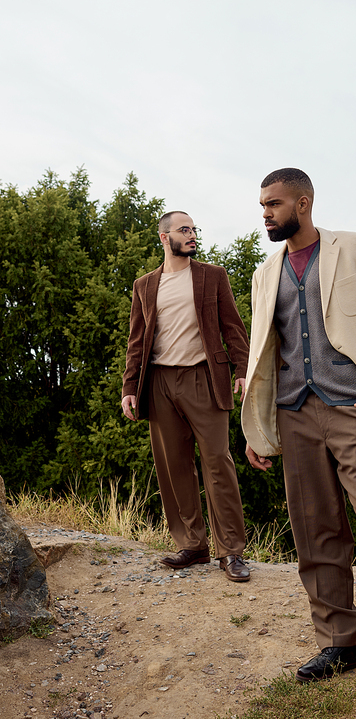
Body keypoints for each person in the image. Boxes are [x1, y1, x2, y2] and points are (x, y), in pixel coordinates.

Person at [242, 168, 356, 698]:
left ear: (303, 203)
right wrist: (259, 428)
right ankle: (341, 640)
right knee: (315, 528)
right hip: (295, 412)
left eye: (273, 204)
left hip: (355, 408)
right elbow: (263, 355)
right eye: (262, 206)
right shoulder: (264, 273)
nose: (266, 214)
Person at [122, 211, 251, 583]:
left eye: (194, 229)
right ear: (164, 237)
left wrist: (242, 371)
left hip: (204, 378)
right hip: (159, 382)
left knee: (217, 464)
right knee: (173, 467)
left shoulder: (213, 277)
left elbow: (233, 328)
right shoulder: (145, 285)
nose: (192, 235)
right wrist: (130, 388)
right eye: (184, 230)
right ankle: (192, 545)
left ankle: (231, 552)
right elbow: (136, 342)